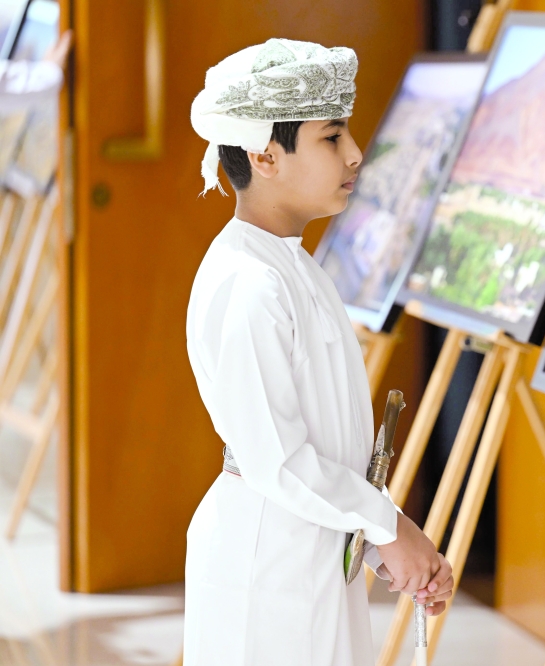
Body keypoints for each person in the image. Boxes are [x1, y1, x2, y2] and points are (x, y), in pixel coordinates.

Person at [184, 39, 453, 666]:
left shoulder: (292, 266)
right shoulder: (249, 284)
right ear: (264, 156)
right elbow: (279, 461)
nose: (355, 153)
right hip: (268, 567)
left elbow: (325, 448)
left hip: (312, 550)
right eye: (331, 137)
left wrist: (385, 541)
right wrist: (389, 528)